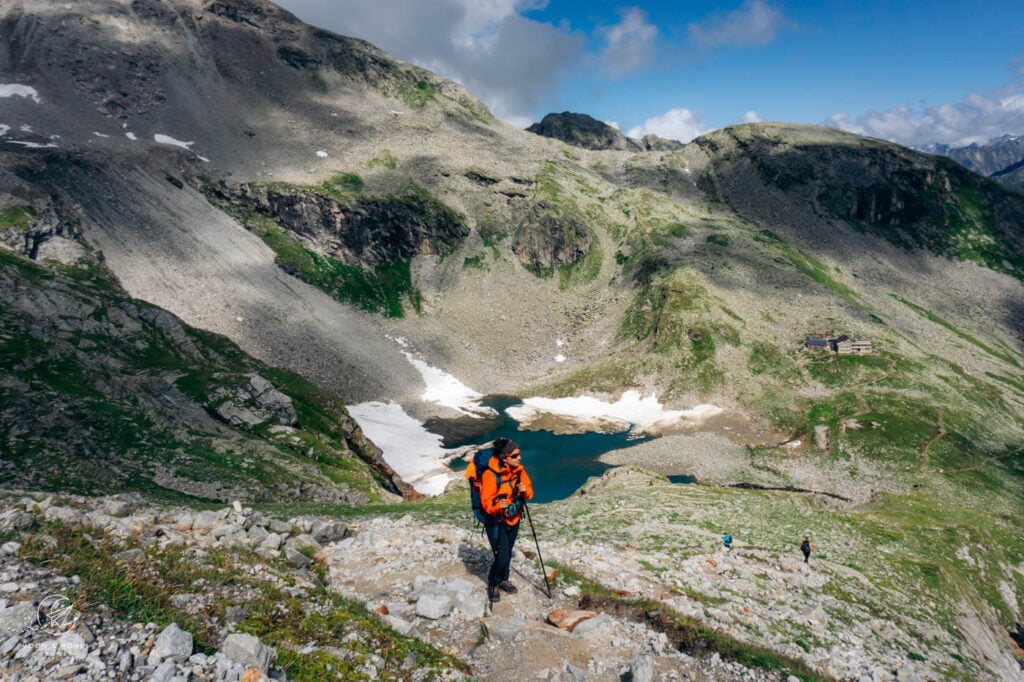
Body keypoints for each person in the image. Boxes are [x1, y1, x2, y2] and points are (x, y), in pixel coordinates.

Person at [479, 439, 533, 602]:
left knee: (508, 551)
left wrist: (525, 491)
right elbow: (486, 503)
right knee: (501, 555)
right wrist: (497, 505)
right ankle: (493, 583)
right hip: (496, 522)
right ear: (505, 458)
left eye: (519, 455)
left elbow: (530, 492)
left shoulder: (519, 471)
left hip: (514, 517)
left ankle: (504, 578)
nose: (519, 458)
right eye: (515, 456)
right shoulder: (490, 475)